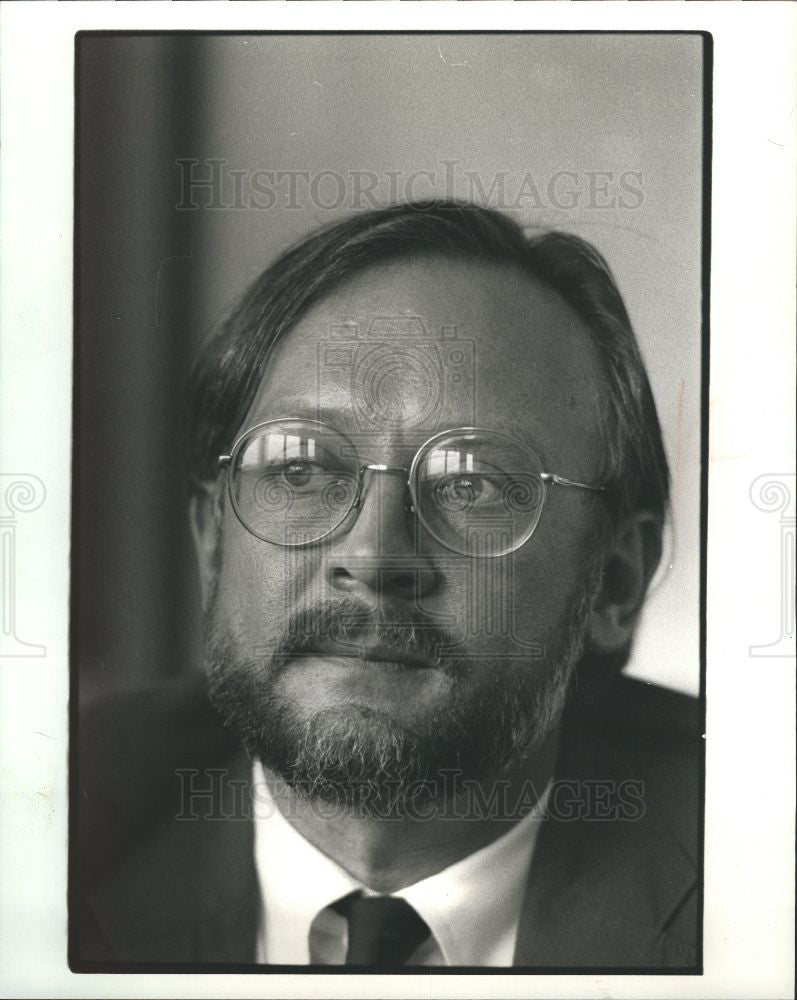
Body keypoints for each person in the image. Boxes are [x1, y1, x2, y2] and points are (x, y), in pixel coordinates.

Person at [73, 200, 701, 970]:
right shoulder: (60, 817)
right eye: (300, 469)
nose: (371, 558)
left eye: (472, 483)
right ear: (213, 540)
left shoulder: (754, 861)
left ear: (613, 581)